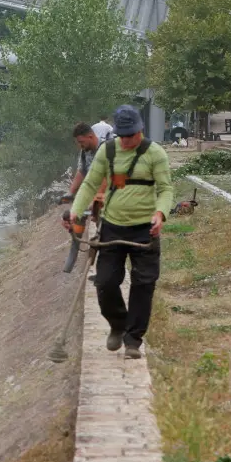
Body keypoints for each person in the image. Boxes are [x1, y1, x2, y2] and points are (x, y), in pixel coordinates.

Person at [65, 105, 173, 359]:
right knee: (105, 282)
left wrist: (160, 214)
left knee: (143, 284)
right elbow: (91, 182)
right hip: (113, 226)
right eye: (122, 136)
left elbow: (166, 189)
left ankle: (133, 339)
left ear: (140, 131)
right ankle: (117, 323)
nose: (125, 141)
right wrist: (75, 210)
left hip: (144, 229)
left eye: (130, 136)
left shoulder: (155, 153)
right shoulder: (108, 150)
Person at [68, 121, 105, 199]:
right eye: (78, 143)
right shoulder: (84, 152)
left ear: (90, 137)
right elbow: (82, 171)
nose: (80, 145)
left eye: (81, 142)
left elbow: (109, 177)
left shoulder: (107, 149)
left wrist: (97, 199)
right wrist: (70, 192)